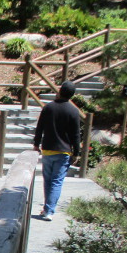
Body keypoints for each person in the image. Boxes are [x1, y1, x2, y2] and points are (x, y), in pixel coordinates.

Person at [32, 80, 82, 221]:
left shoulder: (48, 108)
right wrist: (76, 152)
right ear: (72, 95)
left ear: (60, 91)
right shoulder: (73, 111)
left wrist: (36, 144)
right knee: (57, 181)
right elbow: (76, 135)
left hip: (48, 149)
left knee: (48, 180)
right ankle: (49, 210)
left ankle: (46, 208)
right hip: (64, 151)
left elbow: (39, 127)